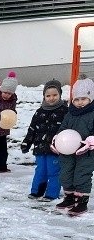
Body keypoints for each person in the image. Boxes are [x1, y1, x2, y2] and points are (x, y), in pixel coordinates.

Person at [20, 79, 68, 201]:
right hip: (40, 148)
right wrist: (27, 142)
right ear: (44, 96)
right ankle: (37, 191)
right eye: (48, 96)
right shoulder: (39, 112)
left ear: (60, 95)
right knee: (40, 170)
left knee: (54, 171)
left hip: (55, 149)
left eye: (55, 95)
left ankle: (52, 193)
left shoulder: (65, 111)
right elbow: (32, 129)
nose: (51, 98)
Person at [54, 76, 94, 216]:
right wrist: (57, 139)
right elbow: (63, 129)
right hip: (68, 152)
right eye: (76, 99)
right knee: (66, 174)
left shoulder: (92, 114)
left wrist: (90, 142)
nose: (80, 102)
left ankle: (81, 201)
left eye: (83, 99)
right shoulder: (70, 114)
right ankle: (69, 197)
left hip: (86, 152)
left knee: (81, 175)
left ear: (90, 98)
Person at [0, 72, 18, 172]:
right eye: (5, 92)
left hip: (3, 127)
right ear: (1, 90)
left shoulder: (13, 99)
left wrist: (13, 114)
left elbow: (12, 110)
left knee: (2, 149)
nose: (7, 95)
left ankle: (0, 166)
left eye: (9, 93)